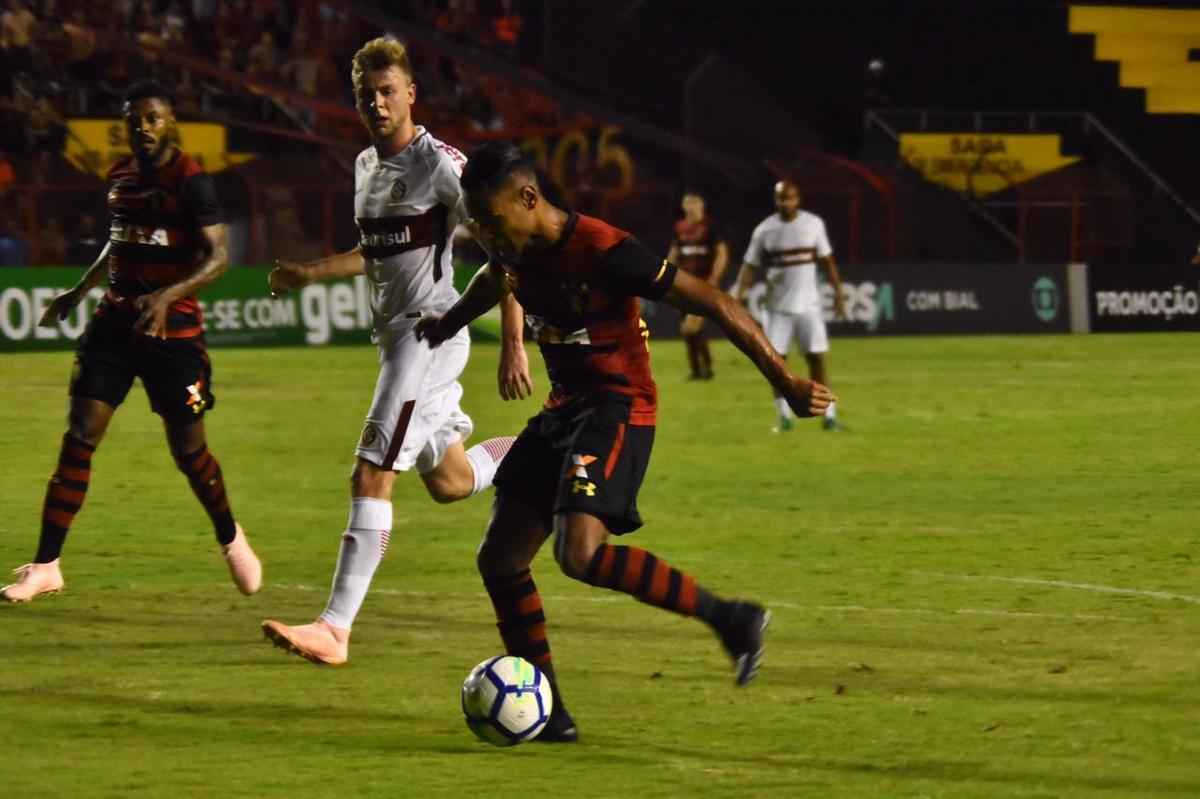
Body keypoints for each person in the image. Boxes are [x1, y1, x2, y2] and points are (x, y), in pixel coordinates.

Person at [414, 142, 835, 742]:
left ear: (529, 198)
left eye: (490, 218)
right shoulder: (512, 247)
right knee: (500, 559)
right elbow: (494, 276)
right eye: (476, 221)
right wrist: (448, 323)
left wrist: (786, 380)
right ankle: (550, 712)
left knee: (578, 553)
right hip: (563, 410)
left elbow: (714, 300)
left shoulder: (604, 248)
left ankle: (730, 618)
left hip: (618, 408)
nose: (483, 231)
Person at [259, 37, 530, 666]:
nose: (377, 104)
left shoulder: (442, 165)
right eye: (366, 95)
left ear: (411, 94)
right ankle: (547, 445)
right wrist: (309, 272)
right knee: (451, 480)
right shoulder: (365, 166)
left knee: (371, 472)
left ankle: (335, 627)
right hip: (397, 337)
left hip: (425, 336)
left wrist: (513, 343)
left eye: (387, 92)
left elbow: (504, 248)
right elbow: (376, 251)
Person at [2, 80, 262, 602]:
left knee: (189, 451)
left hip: (174, 334)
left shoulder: (192, 183)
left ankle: (231, 536)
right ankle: (47, 564)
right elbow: (119, 240)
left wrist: (168, 296)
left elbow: (218, 259)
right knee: (81, 435)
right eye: (134, 120)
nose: (143, 128)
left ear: (170, 124)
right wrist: (80, 290)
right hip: (114, 325)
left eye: (152, 118)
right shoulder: (120, 176)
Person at [733, 180, 846, 432]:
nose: (786, 203)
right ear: (775, 200)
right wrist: (738, 295)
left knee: (816, 359)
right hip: (776, 309)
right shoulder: (764, 230)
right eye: (781, 199)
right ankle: (784, 416)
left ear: (798, 199)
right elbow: (749, 266)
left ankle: (829, 416)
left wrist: (838, 293)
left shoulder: (813, 224)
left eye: (790, 198)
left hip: (809, 306)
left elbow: (828, 261)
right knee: (776, 363)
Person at [667, 191, 728, 380]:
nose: (691, 206)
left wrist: (714, 278)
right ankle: (699, 370)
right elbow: (674, 252)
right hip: (683, 286)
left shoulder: (711, 228)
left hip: (702, 285)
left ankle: (705, 368)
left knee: (690, 327)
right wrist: (668, 274)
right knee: (690, 330)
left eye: (695, 202)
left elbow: (721, 253)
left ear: (702, 206)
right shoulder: (679, 228)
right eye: (688, 202)